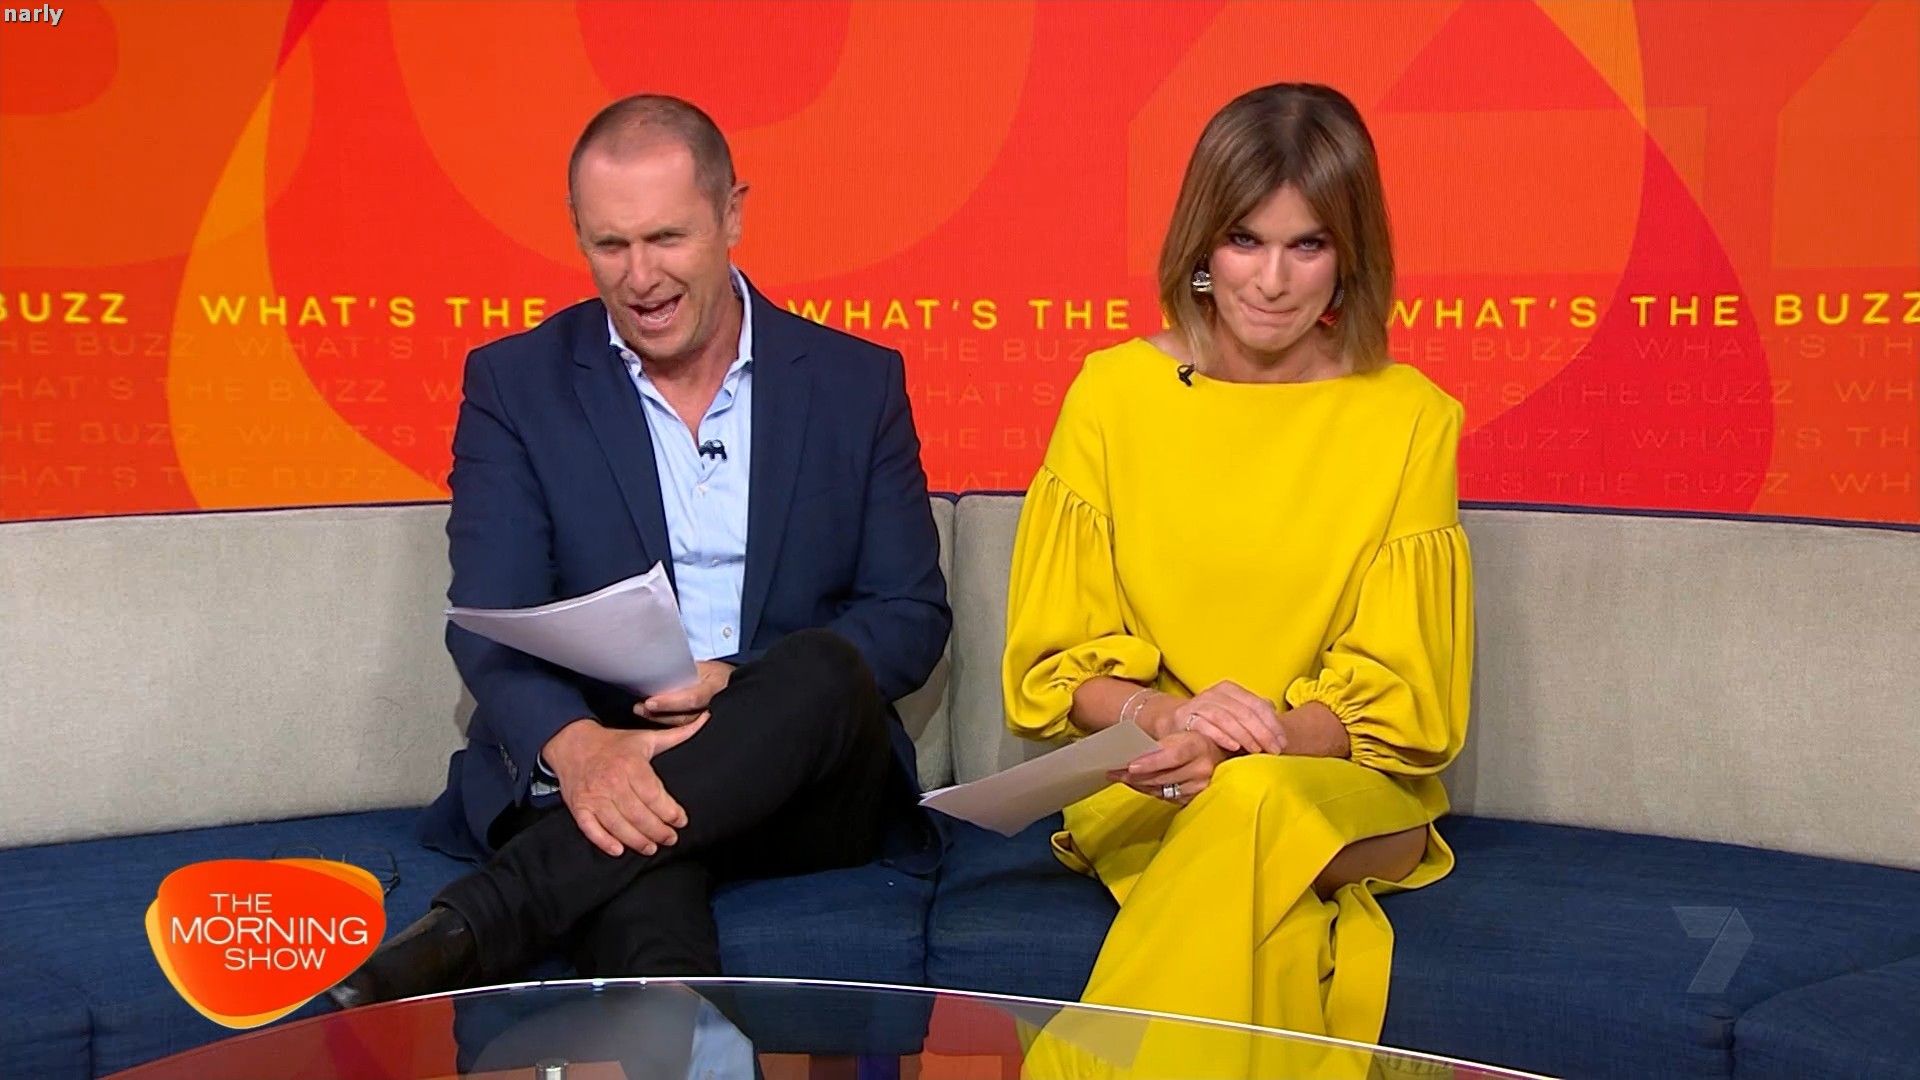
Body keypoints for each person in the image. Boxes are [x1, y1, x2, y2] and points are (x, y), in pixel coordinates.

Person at [331, 94, 949, 1006]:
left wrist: (735, 684)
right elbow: (492, 618)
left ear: (731, 215)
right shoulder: (515, 385)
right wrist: (582, 749)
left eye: (666, 238)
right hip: (607, 755)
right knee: (641, 885)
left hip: (807, 780)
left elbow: (909, 616)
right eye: (610, 245)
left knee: (821, 667)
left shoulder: (856, 382)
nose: (640, 277)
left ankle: (484, 918)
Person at [1001, 82, 1472, 1057]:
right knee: (1265, 902)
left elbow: (1402, 698)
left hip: (1338, 790)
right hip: (1154, 780)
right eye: (1245, 240)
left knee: (1252, 800)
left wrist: (1261, 741)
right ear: (1202, 248)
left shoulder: (1411, 417)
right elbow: (1056, 671)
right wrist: (1170, 721)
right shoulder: (1113, 395)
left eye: (1309, 245)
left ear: (1350, 253)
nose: (1272, 280)